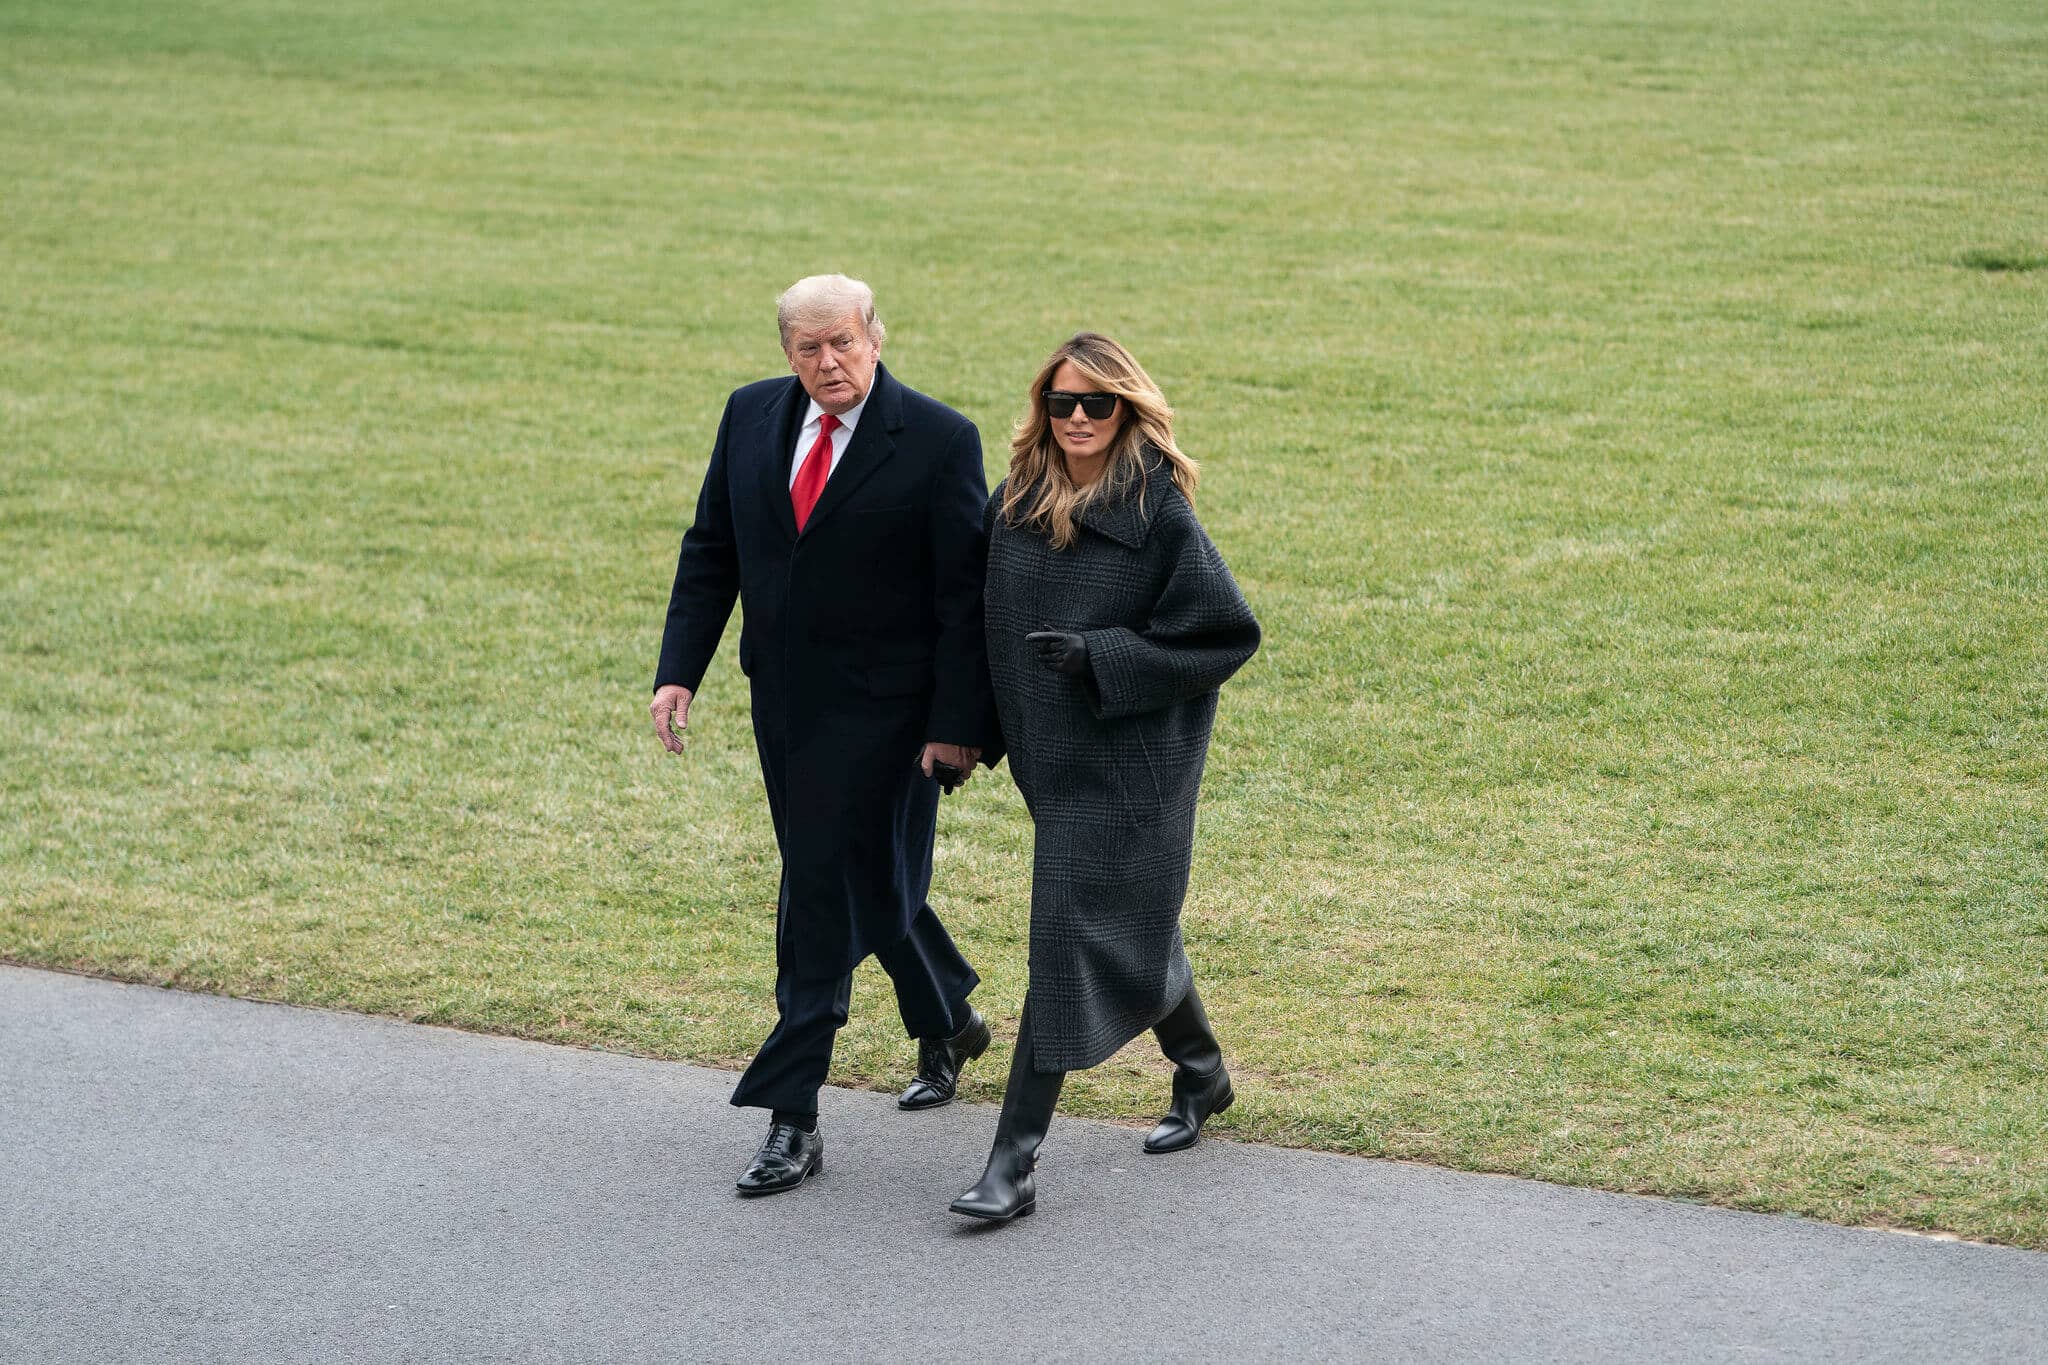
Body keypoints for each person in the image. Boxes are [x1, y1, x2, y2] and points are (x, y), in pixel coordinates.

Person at [651, 274, 999, 1197]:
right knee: (867, 881)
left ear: (875, 337)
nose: (829, 361)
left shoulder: (939, 439)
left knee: (816, 894)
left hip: (894, 719)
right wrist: (680, 669)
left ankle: (792, 1114)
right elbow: (713, 547)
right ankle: (948, 1017)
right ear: (787, 353)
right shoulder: (749, 416)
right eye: (809, 347)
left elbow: (962, 602)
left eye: (843, 341)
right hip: (787, 706)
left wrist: (956, 727)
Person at [951, 332, 1261, 1222]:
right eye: (1063, 401)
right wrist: (963, 736)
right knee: (1118, 923)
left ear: (1128, 409)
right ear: (1042, 408)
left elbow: (1225, 635)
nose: (1079, 417)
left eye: (1098, 402)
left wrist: (1103, 655)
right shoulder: (1014, 500)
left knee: (1064, 934)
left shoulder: (1158, 512)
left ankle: (1012, 1164)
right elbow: (982, 627)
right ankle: (1202, 1070)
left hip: (1135, 765)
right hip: (1052, 763)